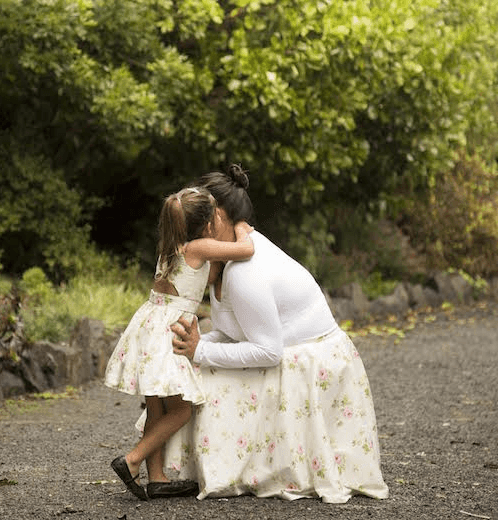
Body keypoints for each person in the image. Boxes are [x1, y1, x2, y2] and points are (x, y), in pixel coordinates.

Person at [165, 165, 389, 504]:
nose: (191, 240)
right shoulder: (224, 259)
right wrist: (189, 346)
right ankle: (170, 468)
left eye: (199, 226)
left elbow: (268, 351)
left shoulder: (244, 274)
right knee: (186, 369)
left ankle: (228, 468)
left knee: (207, 382)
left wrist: (200, 351)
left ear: (219, 221)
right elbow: (231, 334)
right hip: (281, 350)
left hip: (309, 362)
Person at [104, 186, 255, 500]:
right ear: (208, 224)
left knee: (156, 408)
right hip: (169, 332)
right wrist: (241, 227)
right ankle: (132, 461)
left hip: (149, 324)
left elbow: (207, 277)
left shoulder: (170, 246)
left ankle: (157, 478)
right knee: (181, 411)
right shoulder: (198, 246)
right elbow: (246, 250)